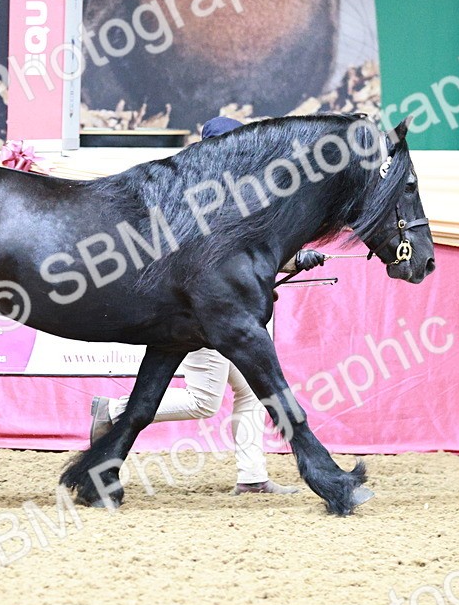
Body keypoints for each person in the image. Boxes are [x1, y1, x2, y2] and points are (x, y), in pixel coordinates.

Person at [88, 115, 328, 495]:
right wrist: (294, 260)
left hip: (231, 317)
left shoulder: (230, 198)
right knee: (203, 400)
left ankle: (252, 477)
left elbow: (248, 257)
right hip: (206, 319)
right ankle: (114, 411)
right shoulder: (205, 201)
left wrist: (294, 260)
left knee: (251, 393)